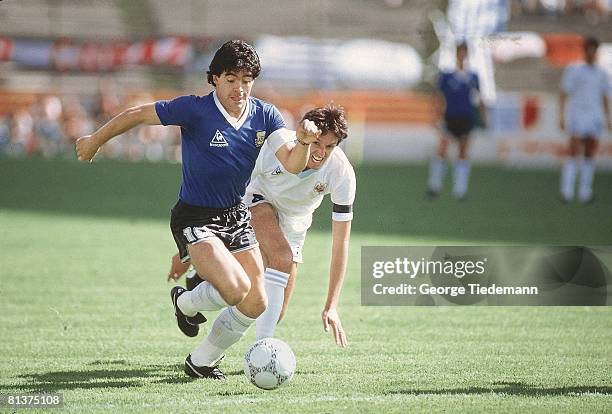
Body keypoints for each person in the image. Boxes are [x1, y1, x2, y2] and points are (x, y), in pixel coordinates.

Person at [75, 40, 321, 380]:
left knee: (255, 303)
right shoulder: (194, 110)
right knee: (235, 290)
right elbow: (137, 114)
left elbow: (293, 165)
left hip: (236, 215)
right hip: (195, 217)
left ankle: (201, 360)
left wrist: (305, 143)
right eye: (231, 79)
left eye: (247, 79)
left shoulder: (266, 115)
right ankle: (186, 302)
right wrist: (93, 141)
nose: (240, 87)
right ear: (215, 79)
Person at [168, 104, 355, 348]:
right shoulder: (275, 147)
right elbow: (228, 189)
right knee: (280, 256)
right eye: (318, 143)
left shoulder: (342, 172)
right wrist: (185, 251)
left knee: (271, 311)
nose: (321, 152)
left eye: (330, 147)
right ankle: (259, 349)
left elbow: (340, 244)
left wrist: (331, 305)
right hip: (256, 200)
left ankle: (188, 300)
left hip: (295, 224)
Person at [427, 42, 486, 201]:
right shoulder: (446, 76)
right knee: (442, 150)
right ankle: (434, 187)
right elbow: (438, 97)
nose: (462, 55)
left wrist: (483, 117)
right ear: (455, 54)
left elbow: (479, 98)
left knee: (463, 152)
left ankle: (460, 190)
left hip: (466, 117)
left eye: (464, 53)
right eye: (459, 52)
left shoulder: (473, 76)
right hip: (449, 117)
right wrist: (435, 116)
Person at [559, 36, 611, 204]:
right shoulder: (574, 69)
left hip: (594, 116)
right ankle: (566, 191)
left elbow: (604, 96)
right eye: (588, 49)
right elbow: (564, 92)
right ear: (584, 50)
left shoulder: (602, 73)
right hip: (577, 114)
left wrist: (607, 117)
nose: (591, 52)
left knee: (590, 153)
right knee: (573, 151)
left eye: (594, 49)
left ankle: (584, 192)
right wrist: (561, 115)